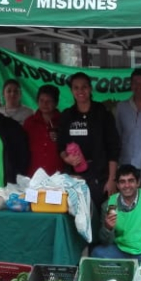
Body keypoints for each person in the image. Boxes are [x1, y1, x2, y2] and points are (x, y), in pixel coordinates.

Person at [58, 72, 121, 214]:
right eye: (76, 88)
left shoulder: (103, 113)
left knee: (101, 219)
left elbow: (113, 147)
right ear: (71, 91)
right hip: (75, 178)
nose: (80, 91)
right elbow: (61, 145)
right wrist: (66, 158)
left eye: (84, 87)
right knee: (76, 218)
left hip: (100, 176)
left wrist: (112, 179)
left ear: (90, 88)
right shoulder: (67, 115)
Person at [93, 165, 141, 266]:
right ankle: (122, 273)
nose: (127, 185)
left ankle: (124, 271)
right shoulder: (109, 204)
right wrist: (108, 228)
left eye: (131, 181)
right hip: (120, 251)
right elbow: (105, 242)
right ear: (118, 185)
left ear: (138, 183)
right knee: (97, 253)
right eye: (122, 182)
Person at [24, 84, 62, 175]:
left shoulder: (63, 121)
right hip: (33, 174)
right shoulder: (29, 122)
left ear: (56, 103)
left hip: (57, 175)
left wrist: (60, 137)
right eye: (42, 100)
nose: (45, 104)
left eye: (49, 101)